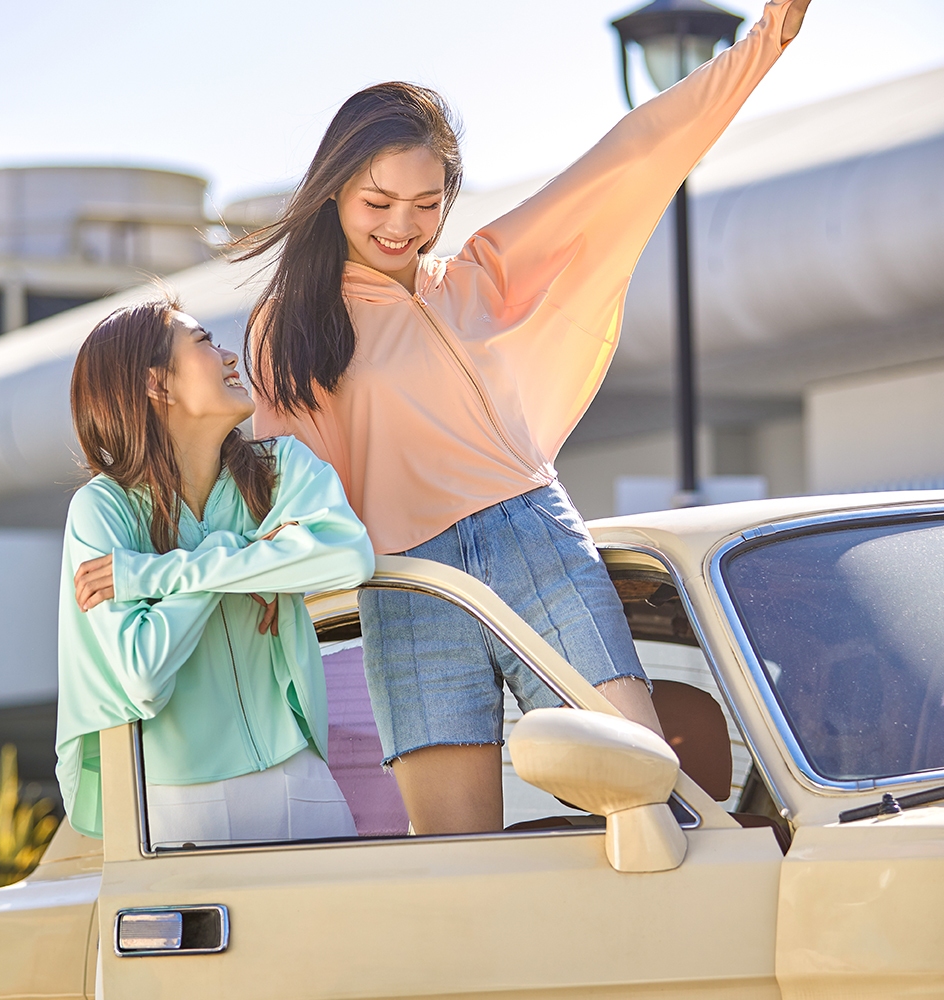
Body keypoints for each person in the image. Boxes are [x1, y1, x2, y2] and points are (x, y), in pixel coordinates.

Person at [241, 0, 812, 835]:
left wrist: (765, 44)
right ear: (334, 190)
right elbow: (290, 495)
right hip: (408, 582)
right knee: (457, 851)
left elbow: (634, 153)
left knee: (643, 799)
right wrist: (169, 566)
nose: (402, 226)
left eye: (426, 202)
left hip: (533, 541)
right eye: (377, 201)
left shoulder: (483, 274)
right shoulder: (290, 325)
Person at [56, 299, 375, 847]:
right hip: (178, 805)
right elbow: (142, 675)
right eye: (204, 342)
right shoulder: (102, 510)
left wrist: (156, 575)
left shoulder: (282, 468)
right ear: (157, 383)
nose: (230, 356)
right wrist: (236, 557)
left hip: (299, 776)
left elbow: (348, 555)